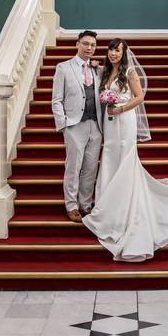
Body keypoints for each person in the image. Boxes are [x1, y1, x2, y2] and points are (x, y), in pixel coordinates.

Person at [82, 38, 168, 262]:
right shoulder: (104, 71)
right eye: (111, 50)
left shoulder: (129, 71)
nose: (113, 54)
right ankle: (107, 205)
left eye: (118, 50)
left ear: (124, 52)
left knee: (125, 159)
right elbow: (95, 75)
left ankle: (126, 209)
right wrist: (93, 67)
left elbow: (140, 96)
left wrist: (120, 108)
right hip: (110, 123)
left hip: (124, 119)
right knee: (110, 157)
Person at [50, 30, 103, 222]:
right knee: (73, 166)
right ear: (78, 44)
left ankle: (86, 204)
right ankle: (71, 206)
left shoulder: (99, 69)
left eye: (93, 45)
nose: (90, 48)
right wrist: (63, 124)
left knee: (90, 167)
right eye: (86, 44)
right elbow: (56, 99)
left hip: (96, 125)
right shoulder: (63, 68)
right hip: (74, 125)